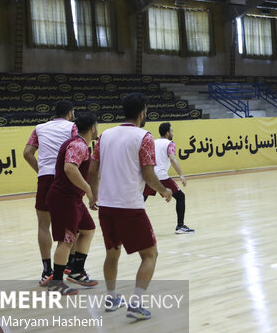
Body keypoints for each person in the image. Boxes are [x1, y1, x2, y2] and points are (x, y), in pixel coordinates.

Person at [89, 93, 173, 320]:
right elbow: (148, 174)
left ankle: (111, 296)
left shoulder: (105, 136)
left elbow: (92, 170)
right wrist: (163, 190)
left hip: (106, 206)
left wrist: (93, 195)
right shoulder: (144, 137)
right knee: (150, 254)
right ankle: (135, 303)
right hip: (129, 206)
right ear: (142, 112)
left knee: (112, 253)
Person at [23, 100, 77, 286]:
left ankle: (47, 270)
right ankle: (69, 265)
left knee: (43, 225)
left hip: (45, 178)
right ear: (70, 113)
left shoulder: (39, 128)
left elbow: (27, 153)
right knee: (71, 222)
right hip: (65, 178)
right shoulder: (73, 127)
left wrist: (41, 170)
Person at [45, 113, 99, 295]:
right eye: (96, 126)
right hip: (64, 199)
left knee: (88, 229)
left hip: (73, 198)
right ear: (92, 127)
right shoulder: (78, 145)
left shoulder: (80, 144)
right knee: (66, 240)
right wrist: (89, 190)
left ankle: (76, 271)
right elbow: (70, 168)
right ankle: (57, 282)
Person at [143, 122, 194, 234]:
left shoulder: (153, 142)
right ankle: (180, 226)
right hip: (161, 176)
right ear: (167, 133)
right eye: (171, 131)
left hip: (149, 175)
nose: (172, 133)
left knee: (141, 200)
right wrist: (181, 174)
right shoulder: (170, 143)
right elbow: (172, 159)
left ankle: (129, 225)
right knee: (180, 197)